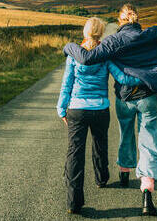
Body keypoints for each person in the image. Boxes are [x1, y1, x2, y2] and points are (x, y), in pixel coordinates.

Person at [63, 4, 157, 216]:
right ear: (137, 18)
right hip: (148, 98)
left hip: (124, 99)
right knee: (149, 142)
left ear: (120, 21)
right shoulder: (153, 34)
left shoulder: (113, 41)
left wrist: (68, 47)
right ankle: (146, 193)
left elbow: (88, 58)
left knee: (126, 133)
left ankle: (125, 171)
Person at [56, 17, 143, 215]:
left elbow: (66, 84)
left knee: (74, 154)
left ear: (85, 32)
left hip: (77, 110)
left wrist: (62, 109)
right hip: (100, 109)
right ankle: (101, 178)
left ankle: (73, 203)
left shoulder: (73, 55)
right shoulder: (105, 56)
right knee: (100, 144)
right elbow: (122, 77)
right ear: (101, 33)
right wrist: (144, 78)